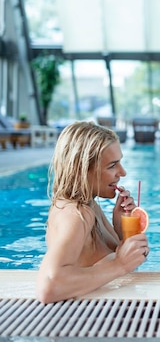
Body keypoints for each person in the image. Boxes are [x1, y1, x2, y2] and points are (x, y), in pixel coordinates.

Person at [36, 121, 150, 304]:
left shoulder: (90, 205)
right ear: (81, 170)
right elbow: (48, 287)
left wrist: (123, 231)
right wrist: (118, 265)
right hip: (81, 321)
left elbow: (124, 260)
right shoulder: (75, 214)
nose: (123, 172)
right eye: (112, 165)